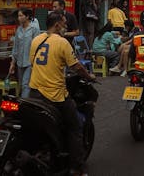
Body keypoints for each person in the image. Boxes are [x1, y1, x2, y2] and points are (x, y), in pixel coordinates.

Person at [30, 11, 95, 176]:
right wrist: (89, 76)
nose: (66, 26)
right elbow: (77, 67)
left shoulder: (36, 40)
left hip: (34, 93)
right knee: (75, 127)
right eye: (64, 23)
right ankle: (76, 169)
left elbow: (33, 63)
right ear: (57, 24)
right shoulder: (62, 42)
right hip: (55, 95)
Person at [8, 8, 40, 97]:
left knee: (25, 84)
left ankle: (22, 105)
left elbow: (37, 46)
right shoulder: (19, 29)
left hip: (30, 62)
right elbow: (16, 47)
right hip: (20, 62)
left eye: (21, 16)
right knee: (21, 84)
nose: (19, 18)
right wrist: (12, 63)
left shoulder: (34, 29)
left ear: (27, 17)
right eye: (18, 16)